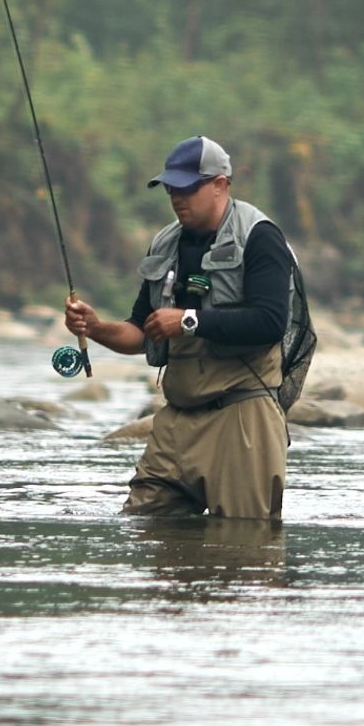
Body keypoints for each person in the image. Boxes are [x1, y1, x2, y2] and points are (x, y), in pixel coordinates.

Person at [64, 136, 294, 520]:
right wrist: (96, 327)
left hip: (242, 416)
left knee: (243, 544)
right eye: (171, 188)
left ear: (220, 184)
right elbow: (141, 330)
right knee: (143, 525)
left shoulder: (260, 236)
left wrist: (189, 320)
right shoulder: (165, 243)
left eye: (187, 188)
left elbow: (270, 321)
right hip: (177, 421)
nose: (177, 197)